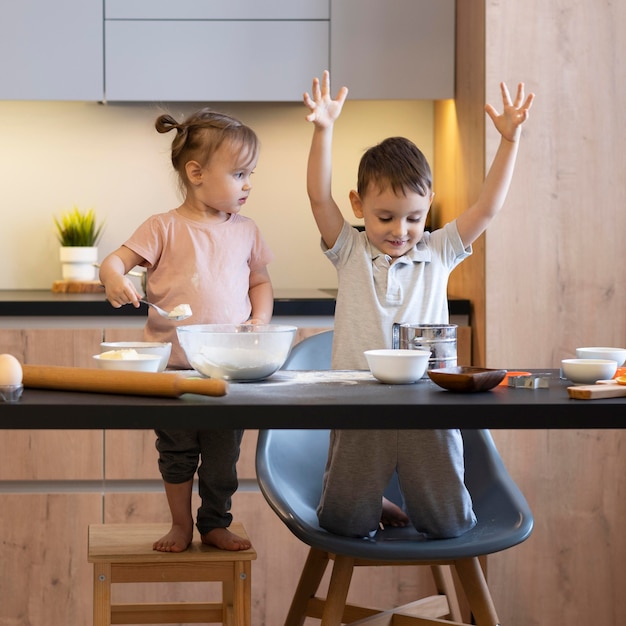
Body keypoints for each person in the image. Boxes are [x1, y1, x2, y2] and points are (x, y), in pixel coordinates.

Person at [303, 70, 534, 539]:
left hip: (429, 404)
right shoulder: (349, 252)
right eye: (384, 217)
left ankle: (395, 497)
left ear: (429, 206)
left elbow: (487, 207)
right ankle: (371, 497)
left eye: (414, 217)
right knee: (344, 524)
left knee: (448, 526)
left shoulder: (438, 251)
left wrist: (509, 141)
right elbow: (315, 195)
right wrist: (323, 130)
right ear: (358, 205)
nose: (400, 230)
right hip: (358, 404)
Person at [99, 107, 274, 552]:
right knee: (177, 455)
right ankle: (180, 524)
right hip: (172, 372)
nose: (248, 184)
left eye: (250, 173)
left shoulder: (248, 230)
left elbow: (260, 283)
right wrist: (115, 278)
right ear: (196, 172)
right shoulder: (163, 227)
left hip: (226, 372)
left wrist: (259, 320)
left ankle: (214, 523)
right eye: (239, 173)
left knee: (222, 460)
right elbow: (114, 261)